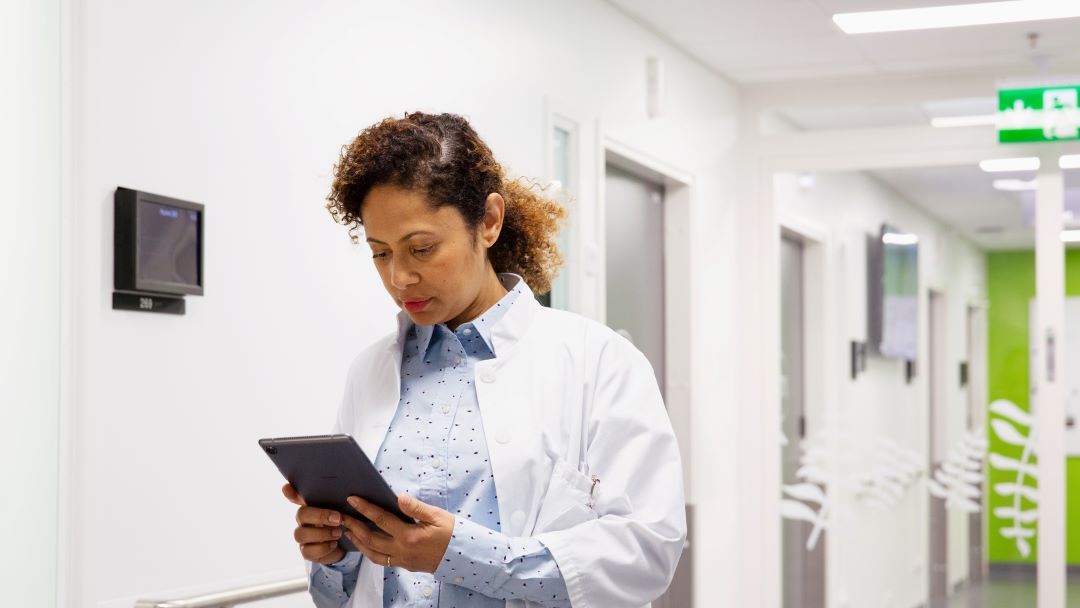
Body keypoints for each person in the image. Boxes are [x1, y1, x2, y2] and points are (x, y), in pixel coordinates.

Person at [282, 112, 685, 608]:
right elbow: (344, 593)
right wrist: (334, 554)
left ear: (489, 220)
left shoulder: (599, 361)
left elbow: (647, 552)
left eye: (421, 248)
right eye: (380, 253)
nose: (400, 277)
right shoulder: (370, 372)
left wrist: (459, 555)